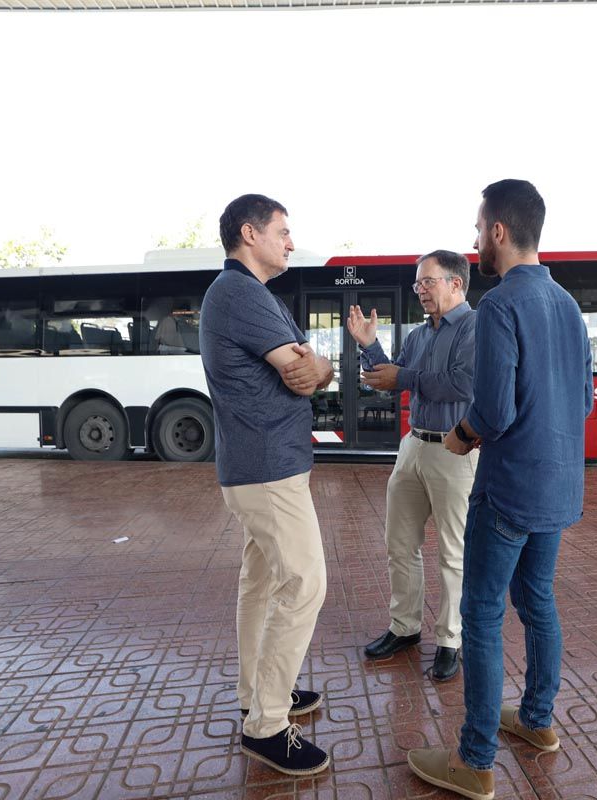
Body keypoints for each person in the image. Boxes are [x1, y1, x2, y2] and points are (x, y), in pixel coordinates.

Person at [406, 179, 592, 800]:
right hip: (562, 485)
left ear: (499, 233)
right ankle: (537, 721)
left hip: (510, 486)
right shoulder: (567, 304)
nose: (474, 240)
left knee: (481, 613)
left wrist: (461, 437)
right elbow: (586, 399)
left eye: (478, 228)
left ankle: (476, 759)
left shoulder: (501, 307)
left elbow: (494, 409)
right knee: (536, 599)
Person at [199, 194, 335, 776]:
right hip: (269, 469)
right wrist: (316, 368)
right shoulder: (239, 293)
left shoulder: (252, 296)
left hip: (257, 465)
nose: (290, 240)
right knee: (305, 582)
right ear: (249, 234)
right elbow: (301, 371)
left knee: (260, 582)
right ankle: (267, 724)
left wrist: (318, 366)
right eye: (283, 231)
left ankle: (255, 691)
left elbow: (312, 366)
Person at [351, 249, 477, 682]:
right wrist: (370, 346)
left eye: (428, 282)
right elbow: (393, 377)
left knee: (452, 552)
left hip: (455, 450)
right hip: (413, 446)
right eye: (417, 284)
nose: (420, 290)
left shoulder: (476, 327)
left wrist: (402, 378)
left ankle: (450, 639)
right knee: (399, 544)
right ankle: (404, 628)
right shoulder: (422, 335)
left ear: (456, 283)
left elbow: (463, 383)